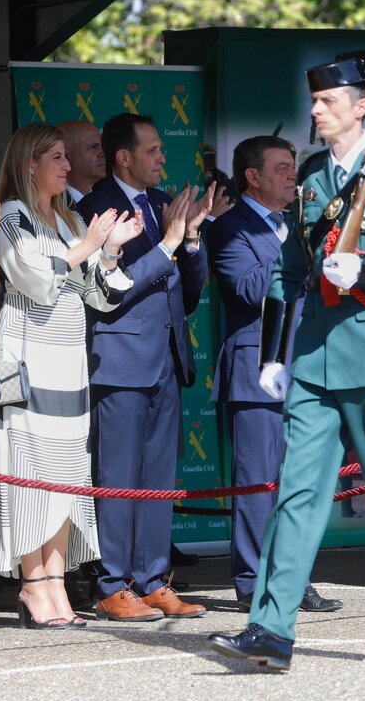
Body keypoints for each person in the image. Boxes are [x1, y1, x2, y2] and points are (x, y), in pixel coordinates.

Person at [207, 50, 365, 671]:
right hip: (314, 359)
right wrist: (271, 354)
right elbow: (288, 276)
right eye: (313, 100)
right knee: (296, 494)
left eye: (327, 101)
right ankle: (269, 628)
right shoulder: (313, 178)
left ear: (362, 107)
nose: (315, 110)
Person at [0, 123, 140, 627]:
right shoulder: (14, 215)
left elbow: (101, 293)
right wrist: (86, 245)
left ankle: (57, 584)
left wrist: (111, 247)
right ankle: (34, 587)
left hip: (70, 362)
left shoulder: (72, 219)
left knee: (65, 478)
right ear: (30, 163)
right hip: (30, 360)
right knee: (32, 476)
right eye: (56, 157)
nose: (67, 165)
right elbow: (32, 278)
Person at [78, 112, 212, 621]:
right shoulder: (96, 209)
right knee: (118, 475)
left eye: (161, 149)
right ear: (123, 157)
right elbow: (114, 290)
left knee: (158, 476)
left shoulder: (163, 204)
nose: (163, 157)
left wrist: (193, 239)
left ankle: (154, 578)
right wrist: (170, 244)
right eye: (153, 150)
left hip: (166, 358)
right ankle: (112, 582)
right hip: (118, 361)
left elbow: (191, 290)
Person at [206, 135, 342, 614]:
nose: (293, 177)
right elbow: (247, 289)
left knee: (298, 483)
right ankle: (253, 580)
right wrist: (295, 250)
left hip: (307, 367)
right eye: (283, 168)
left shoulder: (299, 225)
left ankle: (295, 577)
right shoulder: (228, 227)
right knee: (258, 483)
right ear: (253, 177)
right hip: (254, 369)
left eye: (294, 168)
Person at [58, 120, 106, 202]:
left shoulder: (108, 199)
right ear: (66, 155)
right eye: (94, 147)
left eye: (103, 146)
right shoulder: (51, 206)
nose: (103, 153)